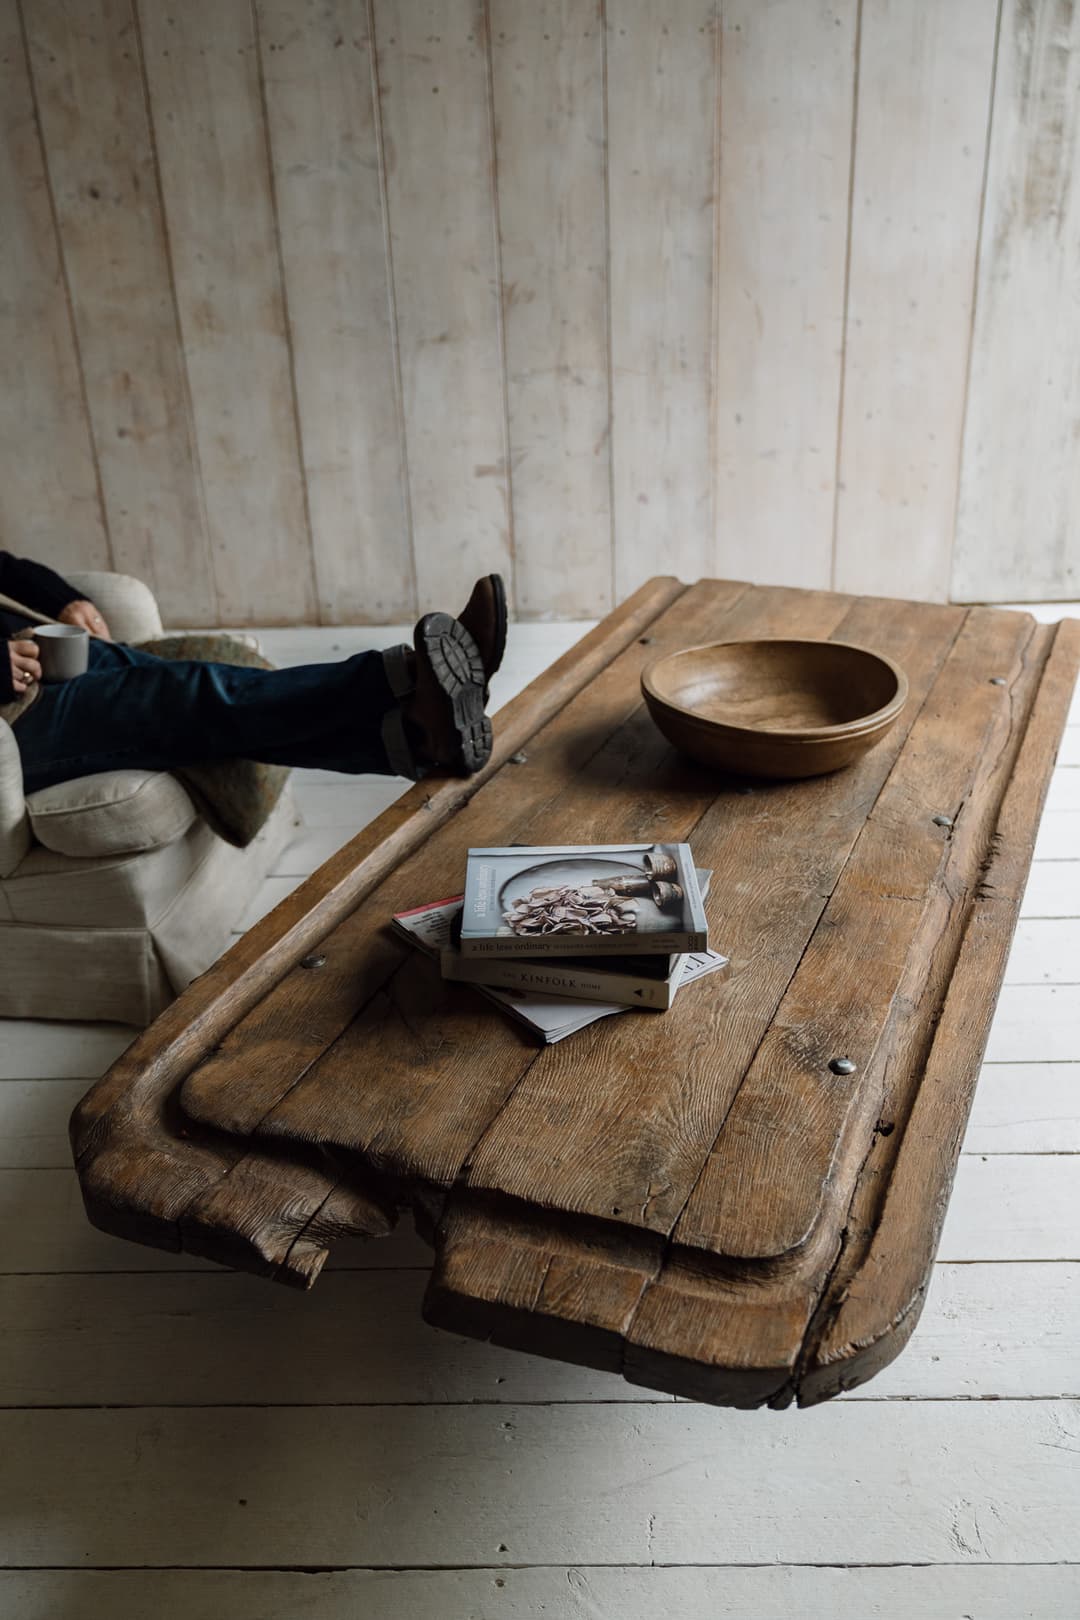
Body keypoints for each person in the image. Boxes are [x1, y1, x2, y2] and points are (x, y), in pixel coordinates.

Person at [0, 550, 506, 796]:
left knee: (223, 704)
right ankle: (405, 678)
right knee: (192, 694)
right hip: (13, 717)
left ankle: (419, 735)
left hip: (39, 656)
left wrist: (62, 600)